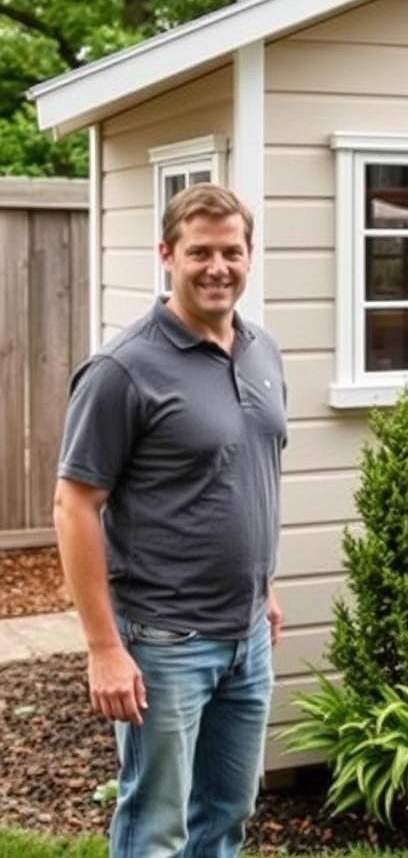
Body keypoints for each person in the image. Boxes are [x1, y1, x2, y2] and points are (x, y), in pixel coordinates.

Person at [53, 183, 287, 858]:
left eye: (232, 252)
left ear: (250, 256)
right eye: (200, 252)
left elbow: (248, 472)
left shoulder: (262, 351)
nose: (218, 267)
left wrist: (263, 585)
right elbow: (75, 505)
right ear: (167, 255)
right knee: (156, 828)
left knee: (227, 814)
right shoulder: (124, 369)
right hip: (164, 641)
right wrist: (104, 647)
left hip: (247, 637)